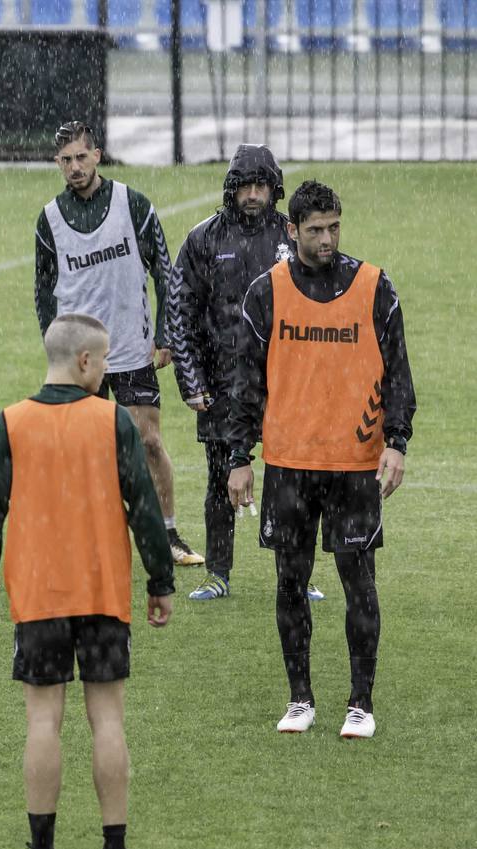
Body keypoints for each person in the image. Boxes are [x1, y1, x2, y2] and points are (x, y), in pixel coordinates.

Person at [0, 314, 174, 849]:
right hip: (102, 591)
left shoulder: (13, 423)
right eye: (104, 360)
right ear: (85, 361)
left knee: (43, 722)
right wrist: (160, 580)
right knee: (107, 719)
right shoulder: (113, 422)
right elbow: (145, 509)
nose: (105, 370)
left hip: (39, 595)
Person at [228, 180, 415, 739]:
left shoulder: (375, 287)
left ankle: (361, 702)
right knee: (290, 583)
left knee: (360, 582)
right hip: (289, 465)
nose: (327, 238)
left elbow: (398, 374)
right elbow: (246, 385)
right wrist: (240, 457)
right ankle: (300, 699)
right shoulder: (267, 292)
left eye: (334, 227)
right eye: (315, 230)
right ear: (292, 230)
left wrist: (396, 443)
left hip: (355, 465)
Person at [34, 120, 201, 568]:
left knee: (147, 442)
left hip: (129, 347)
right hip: (78, 358)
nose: (74, 167)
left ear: (97, 155)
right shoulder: (49, 219)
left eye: (81, 157)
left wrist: (165, 334)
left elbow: (165, 274)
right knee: (82, 451)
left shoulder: (133, 205)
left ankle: (167, 534)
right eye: (66, 159)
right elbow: (43, 292)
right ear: (57, 163)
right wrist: (56, 353)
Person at [168, 147, 326, 604]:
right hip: (221, 384)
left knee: (293, 481)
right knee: (221, 478)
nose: (252, 195)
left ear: (274, 190)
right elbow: (181, 313)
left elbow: (321, 306)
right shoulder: (203, 240)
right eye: (244, 187)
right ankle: (218, 572)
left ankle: (299, 574)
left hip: (286, 383)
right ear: (231, 189)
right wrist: (190, 379)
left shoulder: (292, 238)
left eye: (261, 186)